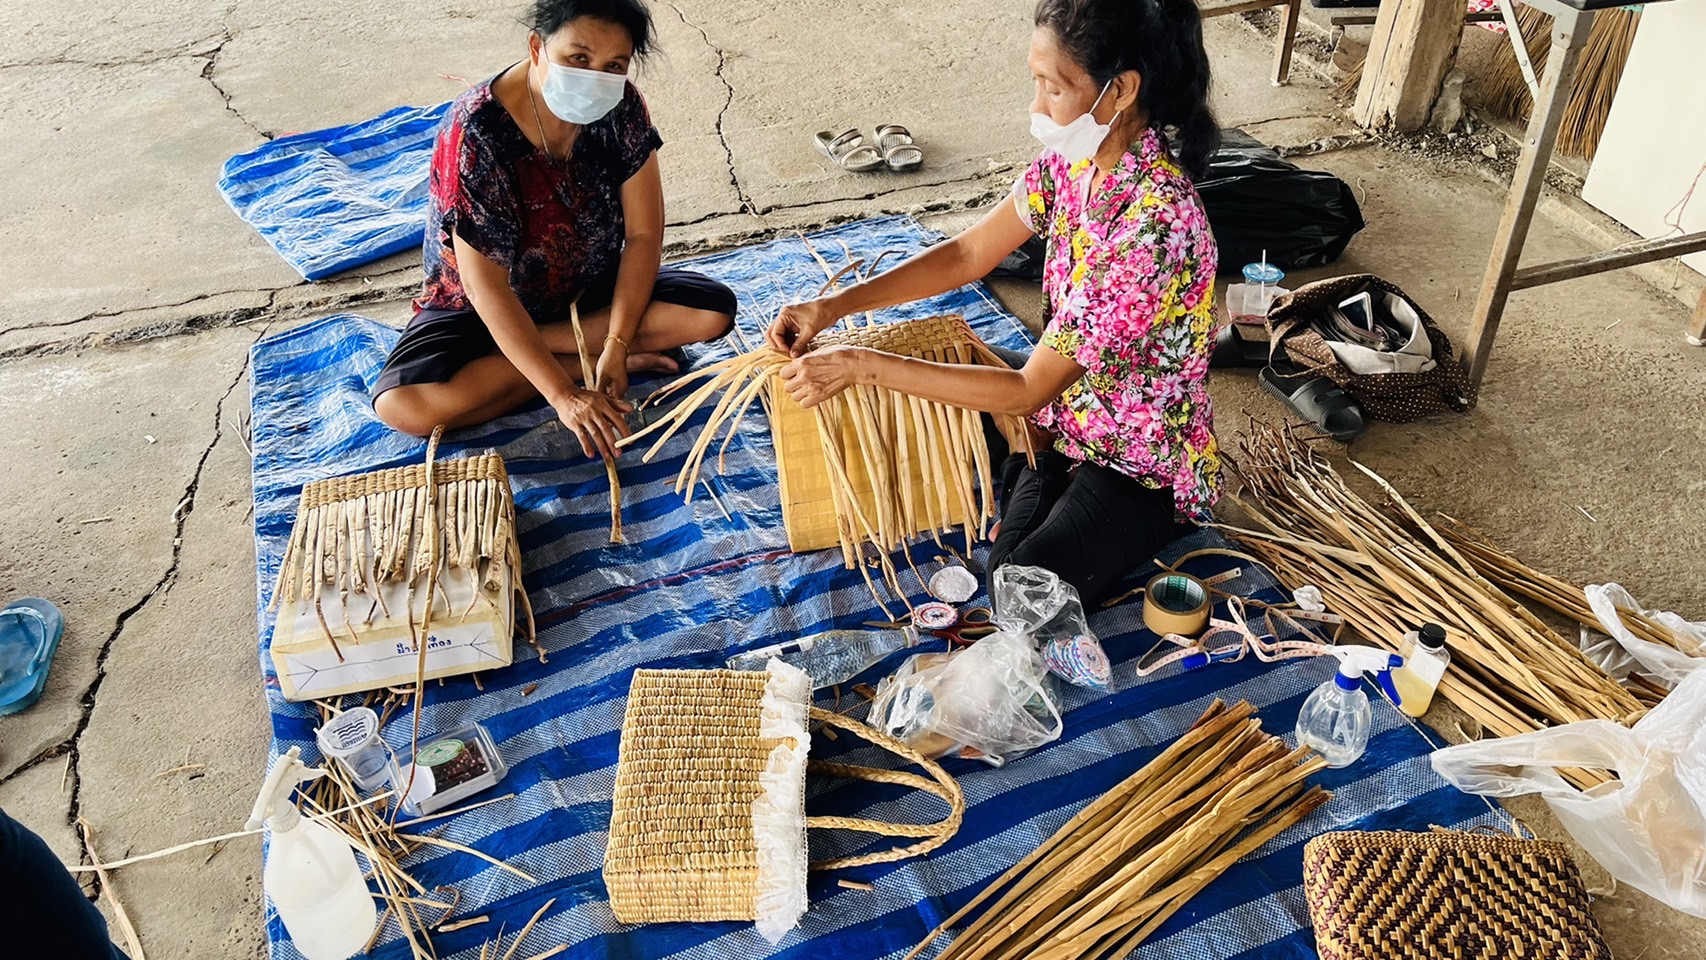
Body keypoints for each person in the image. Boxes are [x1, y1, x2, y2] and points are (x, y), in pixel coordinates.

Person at [770, 0, 1221, 605]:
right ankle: (1030, 460)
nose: (1036, 107)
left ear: (1121, 90)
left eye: (1052, 88)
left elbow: (1027, 390)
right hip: (1066, 407)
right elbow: (966, 255)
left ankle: (1051, 473)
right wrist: (835, 307)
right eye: (1036, 82)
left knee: (1022, 587)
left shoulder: (1157, 226)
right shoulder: (1074, 163)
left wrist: (860, 362)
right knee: (960, 416)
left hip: (1138, 453)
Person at [373, 0, 736, 460]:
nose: (595, 76)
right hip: (484, 310)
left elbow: (644, 236)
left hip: (586, 292)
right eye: (578, 58)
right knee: (405, 406)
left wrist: (618, 344)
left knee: (710, 312)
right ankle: (564, 359)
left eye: (613, 65)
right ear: (537, 47)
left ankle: (552, 351)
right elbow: (485, 288)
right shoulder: (478, 132)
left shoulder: (622, 108)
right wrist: (563, 394)